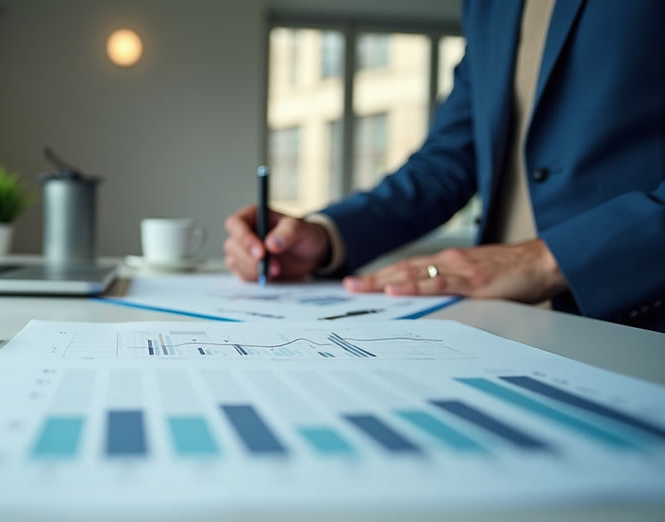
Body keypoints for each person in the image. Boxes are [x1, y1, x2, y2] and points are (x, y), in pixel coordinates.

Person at [224, 0, 665, 332]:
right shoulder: (490, 6)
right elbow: (446, 163)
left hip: (637, 321)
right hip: (499, 324)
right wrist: (323, 237)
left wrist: (543, 261)